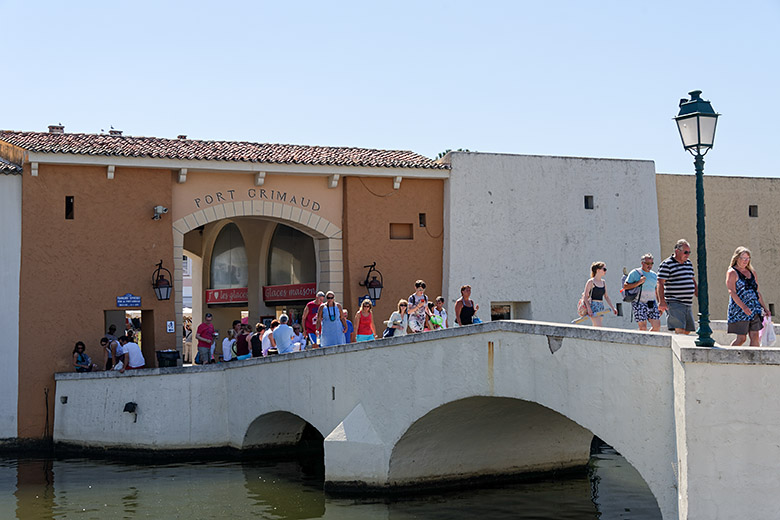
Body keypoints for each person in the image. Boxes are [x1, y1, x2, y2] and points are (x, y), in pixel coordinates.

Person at [726, 246, 770, 346]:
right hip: (739, 310)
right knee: (741, 338)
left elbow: (757, 292)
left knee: (755, 336)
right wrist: (743, 307)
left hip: (754, 309)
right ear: (737, 258)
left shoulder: (752, 272)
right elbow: (732, 291)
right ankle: (731, 356)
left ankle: (754, 360)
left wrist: (765, 308)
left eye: (748, 258)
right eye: (743, 258)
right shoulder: (732, 272)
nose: (746, 261)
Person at [658, 239, 697, 334]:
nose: (687, 255)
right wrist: (662, 301)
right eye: (685, 252)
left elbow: (692, 279)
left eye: (689, 252)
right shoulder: (667, 264)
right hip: (674, 302)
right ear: (677, 251)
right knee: (680, 329)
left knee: (688, 330)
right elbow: (660, 282)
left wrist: (697, 292)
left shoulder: (688, 263)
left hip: (687, 303)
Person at [623, 253, 661, 331]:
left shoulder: (654, 275)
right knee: (643, 327)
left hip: (651, 303)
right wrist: (639, 282)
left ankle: (649, 341)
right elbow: (625, 286)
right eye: (647, 263)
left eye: (651, 263)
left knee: (657, 326)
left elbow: (656, 290)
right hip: (638, 302)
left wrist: (659, 303)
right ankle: (643, 341)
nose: (649, 266)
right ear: (642, 263)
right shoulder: (635, 273)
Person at [583, 262, 617, 327]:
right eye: (604, 269)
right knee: (598, 326)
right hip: (593, 305)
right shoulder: (591, 282)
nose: (605, 271)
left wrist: (613, 308)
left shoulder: (603, 282)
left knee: (596, 327)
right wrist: (589, 308)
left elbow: (606, 296)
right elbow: (585, 296)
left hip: (601, 306)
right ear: (598, 270)